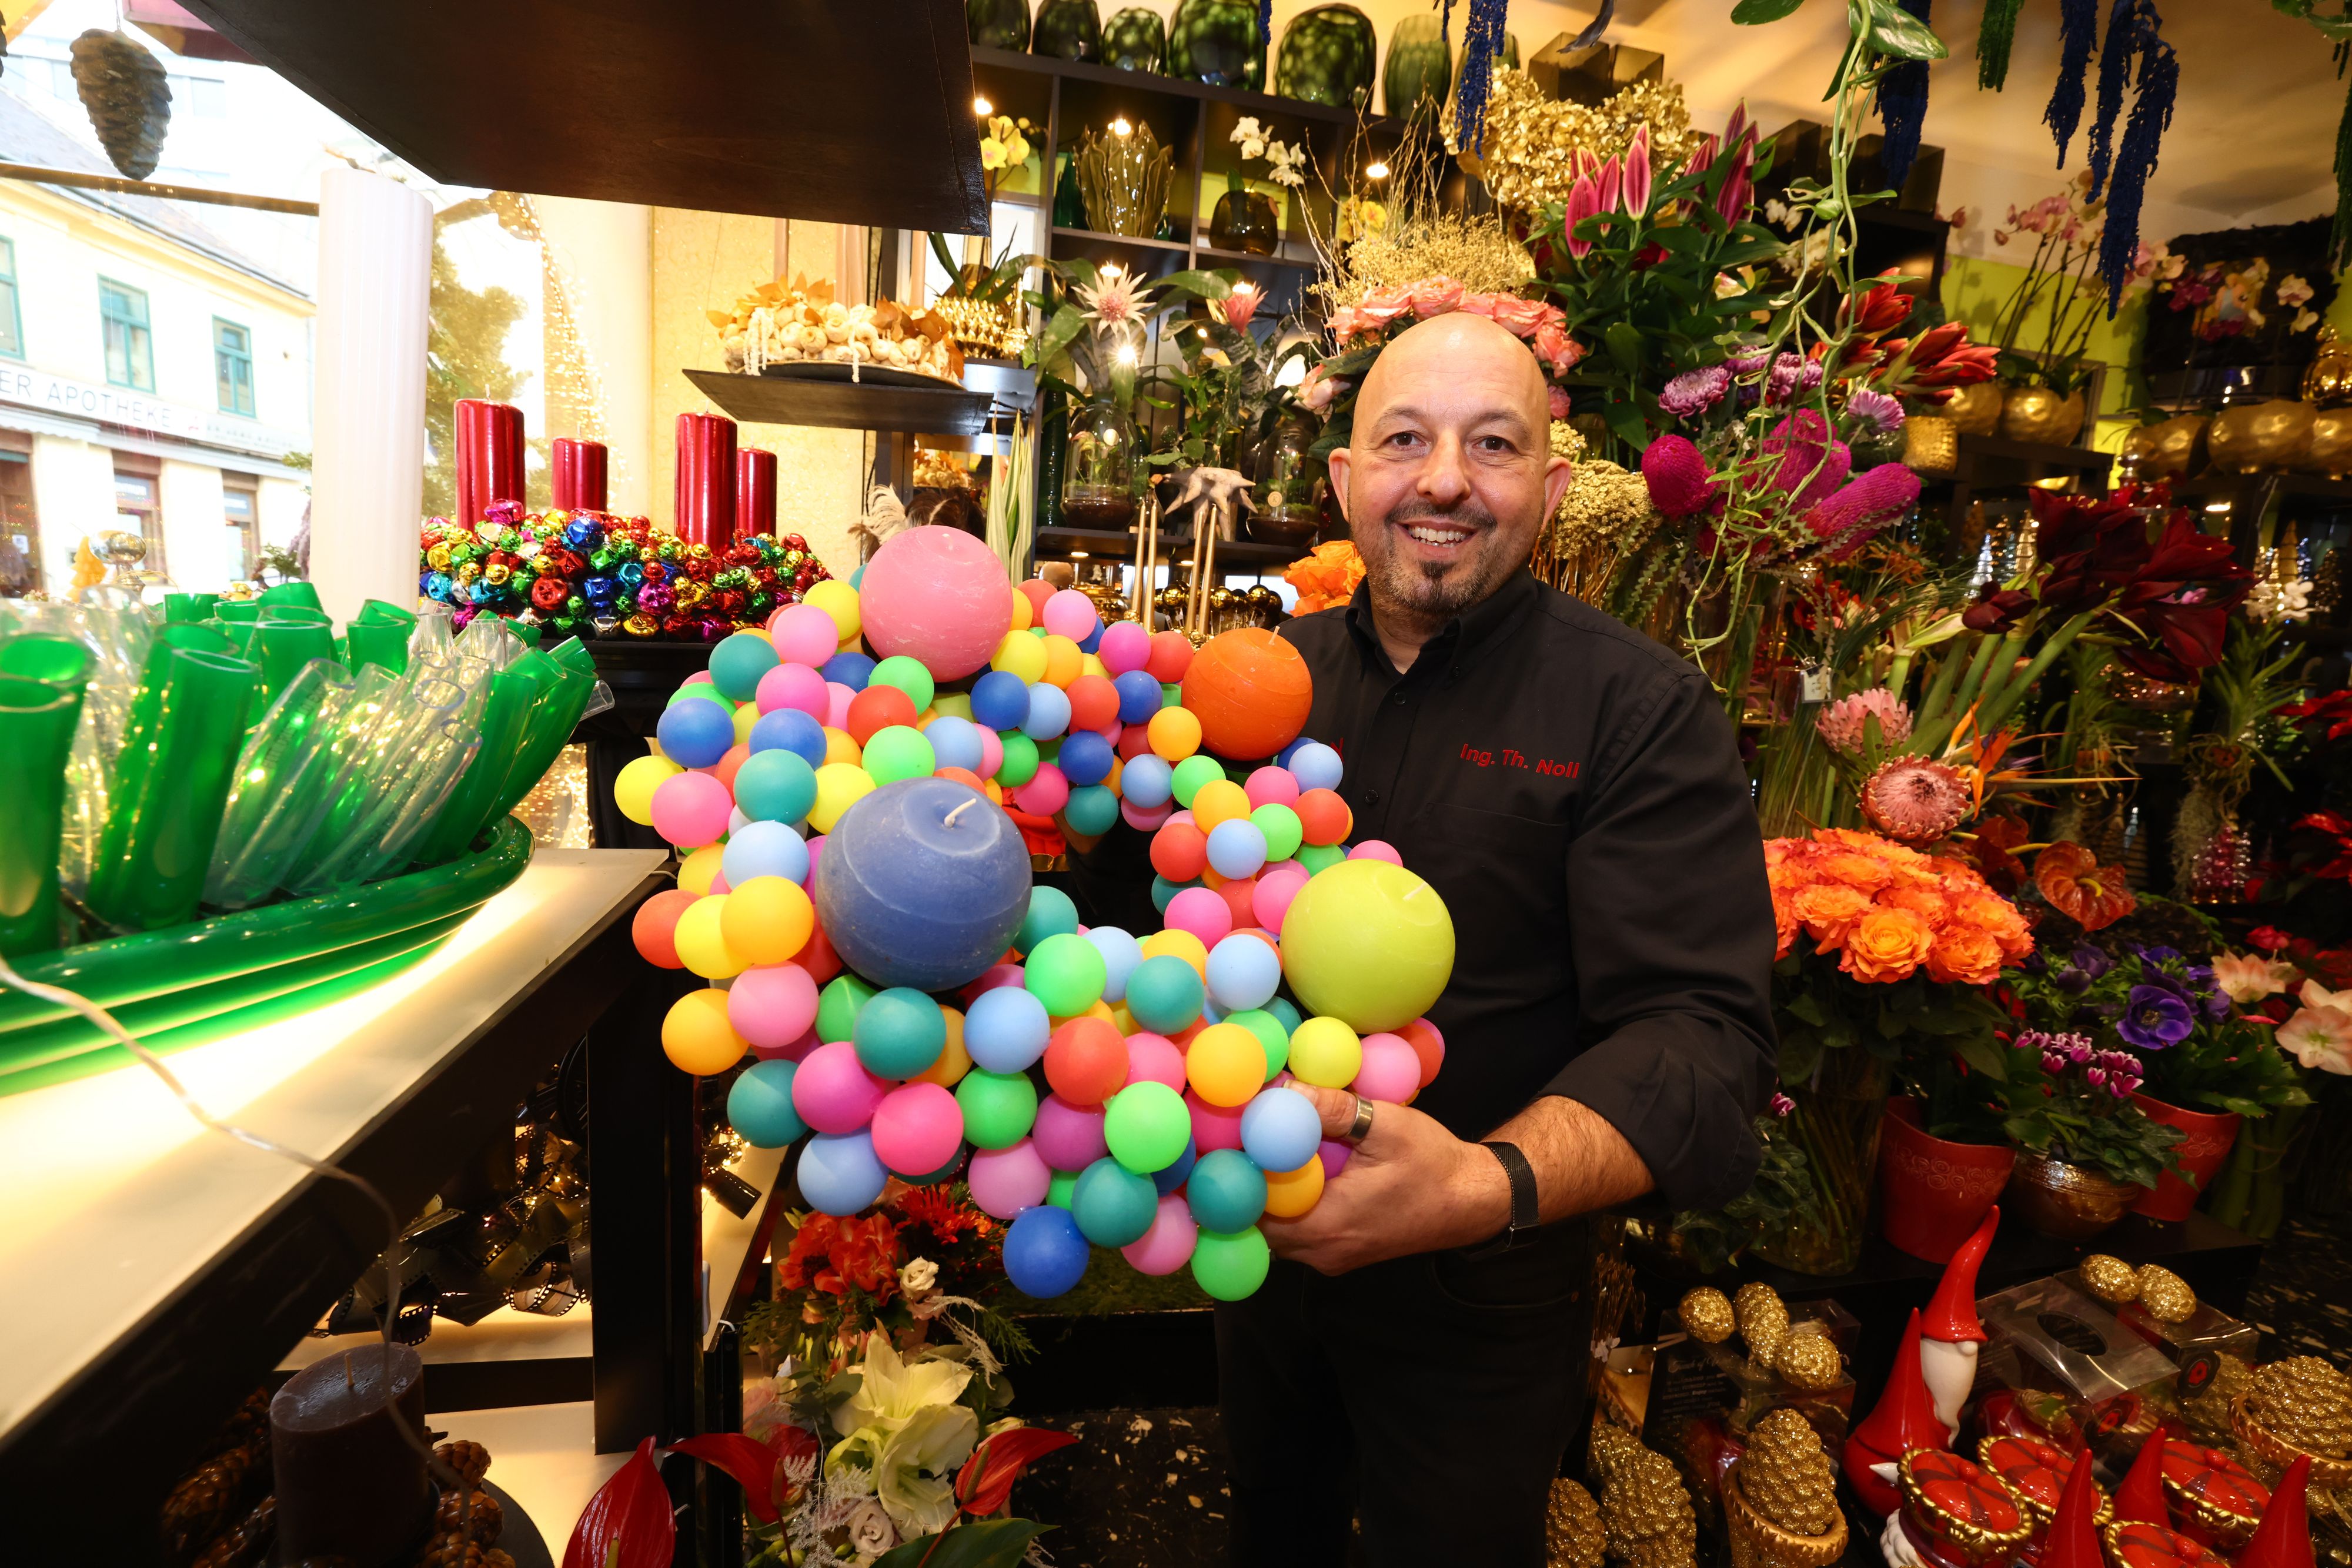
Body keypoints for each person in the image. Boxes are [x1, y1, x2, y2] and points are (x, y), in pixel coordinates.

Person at [1214, 313, 1777, 1564]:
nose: (1445, 479)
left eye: (1493, 444)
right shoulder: (1255, 684)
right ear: (1342, 480)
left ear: (1553, 488)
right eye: (1403, 439)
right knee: (1272, 1524)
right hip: (1254, 1250)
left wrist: (1482, 1182)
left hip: (1486, 1283)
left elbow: (1703, 1035)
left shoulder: (1637, 708)